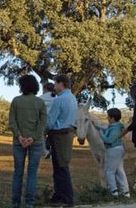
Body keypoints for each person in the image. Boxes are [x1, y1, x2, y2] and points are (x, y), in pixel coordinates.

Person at [8, 75, 47, 208]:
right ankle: (29, 203)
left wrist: (19, 136)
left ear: (22, 86)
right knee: (32, 173)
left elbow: (12, 122)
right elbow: (42, 124)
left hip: (18, 142)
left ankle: (15, 202)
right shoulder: (40, 103)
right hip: (35, 143)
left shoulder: (16, 101)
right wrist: (33, 138)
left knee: (18, 172)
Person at [47, 75, 77, 207]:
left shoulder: (59, 100)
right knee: (62, 164)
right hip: (68, 134)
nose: (54, 87)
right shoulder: (73, 98)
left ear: (61, 84)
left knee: (60, 167)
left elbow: (50, 121)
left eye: (55, 84)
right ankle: (59, 195)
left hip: (58, 135)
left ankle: (66, 197)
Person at [94, 108, 130, 198]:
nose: (107, 118)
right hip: (119, 149)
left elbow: (109, 140)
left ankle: (113, 192)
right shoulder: (116, 126)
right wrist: (97, 126)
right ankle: (125, 192)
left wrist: (100, 134)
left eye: (108, 117)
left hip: (113, 150)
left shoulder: (114, 129)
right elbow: (106, 129)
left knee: (109, 171)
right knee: (119, 170)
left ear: (112, 118)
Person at [39, 82, 56, 159]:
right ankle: (53, 153)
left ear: (45, 89)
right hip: (54, 122)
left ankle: (46, 152)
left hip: (44, 121)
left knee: (41, 135)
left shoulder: (40, 98)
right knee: (53, 137)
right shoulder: (57, 98)